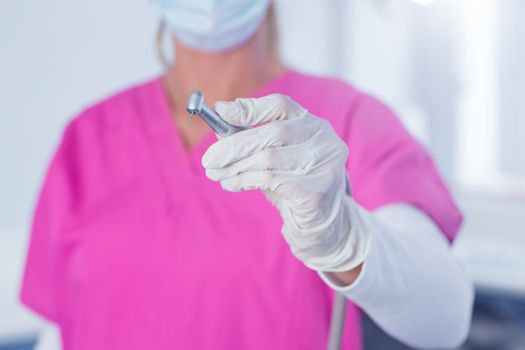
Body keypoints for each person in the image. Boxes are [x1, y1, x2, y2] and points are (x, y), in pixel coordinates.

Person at [20, 1, 473, 349]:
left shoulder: (349, 121)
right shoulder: (89, 138)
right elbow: (61, 329)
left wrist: (344, 238)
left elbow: (447, 314)